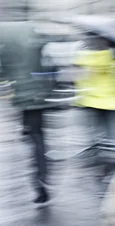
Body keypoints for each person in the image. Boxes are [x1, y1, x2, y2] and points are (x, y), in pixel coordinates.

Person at [0, 22, 57, 204]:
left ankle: (41, 177)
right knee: (37, 134)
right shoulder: (36, 45)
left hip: (23, 97)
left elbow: (3, 72)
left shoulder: (8, 49)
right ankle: (43, 171)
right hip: (39, 96)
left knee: (35, 136)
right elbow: (50, 66)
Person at [73, 35, 115, 188]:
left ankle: (101, 168)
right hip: (114, 102)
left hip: (91, 102)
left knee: (97, 136)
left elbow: (77, 78)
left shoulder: (84, 57)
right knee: (113, 137)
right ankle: (112, 168)